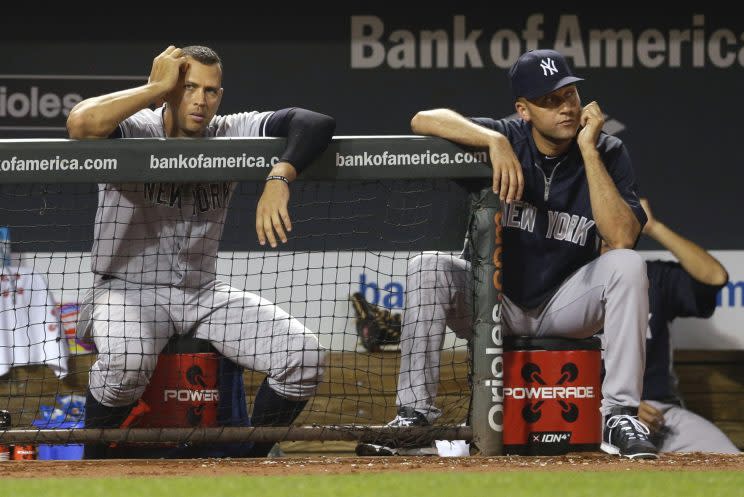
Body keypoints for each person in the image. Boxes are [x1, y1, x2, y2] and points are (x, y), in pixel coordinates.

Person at [357, 49, 656, 459]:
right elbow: (422, 119)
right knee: (428, 267)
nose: (565, 108)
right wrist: (492, 140)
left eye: (569, 95)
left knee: (627, 264)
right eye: (549, 101)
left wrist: (589, 151)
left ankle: (619, 415)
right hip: (493, 303)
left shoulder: (607, 150)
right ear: (524, 110)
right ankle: (415, 416)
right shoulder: (505, 137)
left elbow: (621, 237)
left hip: (565, 305)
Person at [66, 45, 335, 458]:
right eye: (188, 87)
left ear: (220, 96)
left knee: (303, 355)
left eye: (210, 91)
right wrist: (155, 86)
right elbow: (81, 123)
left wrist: (280, 176)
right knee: (126, 362)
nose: (200, 100)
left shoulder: (230, 129)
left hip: (203, 292)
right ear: (172, 88)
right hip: (127, 290)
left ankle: (248, 465)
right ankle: (92, 467)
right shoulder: (135, 127)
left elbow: (315, 122)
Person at [635, 198, 738, 453]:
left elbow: (714, 277)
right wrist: (615, 407)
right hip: (595, 413)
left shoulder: (653, 276)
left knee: (730, 464)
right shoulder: (573, 280)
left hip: (661, 412)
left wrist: (654, 227)